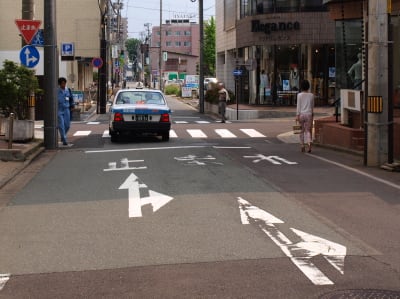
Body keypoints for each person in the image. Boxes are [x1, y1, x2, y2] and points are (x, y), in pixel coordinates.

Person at [296, 80, 314, 153]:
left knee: (301, 131)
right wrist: (312, 114)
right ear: (308, 87)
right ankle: (309, 144)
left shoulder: (299, 95)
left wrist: (297, 115)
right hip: (309, 114)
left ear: (301, 87)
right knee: (308, 131)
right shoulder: (311, 95)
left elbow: (298, 106)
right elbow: (312, 106)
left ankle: (302, 145)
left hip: (301, 114)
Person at [57, 77, 71, 146]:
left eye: (64, 83)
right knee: (61, 125)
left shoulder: (67, 90)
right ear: (59, 84)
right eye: (62, 83)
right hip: (59, 109)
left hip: (66, 109)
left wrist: (72, 105)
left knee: (67, 125)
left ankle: (63, 136)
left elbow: (70, 98)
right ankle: (64, 139)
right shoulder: (57, 91)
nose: (63, 85)